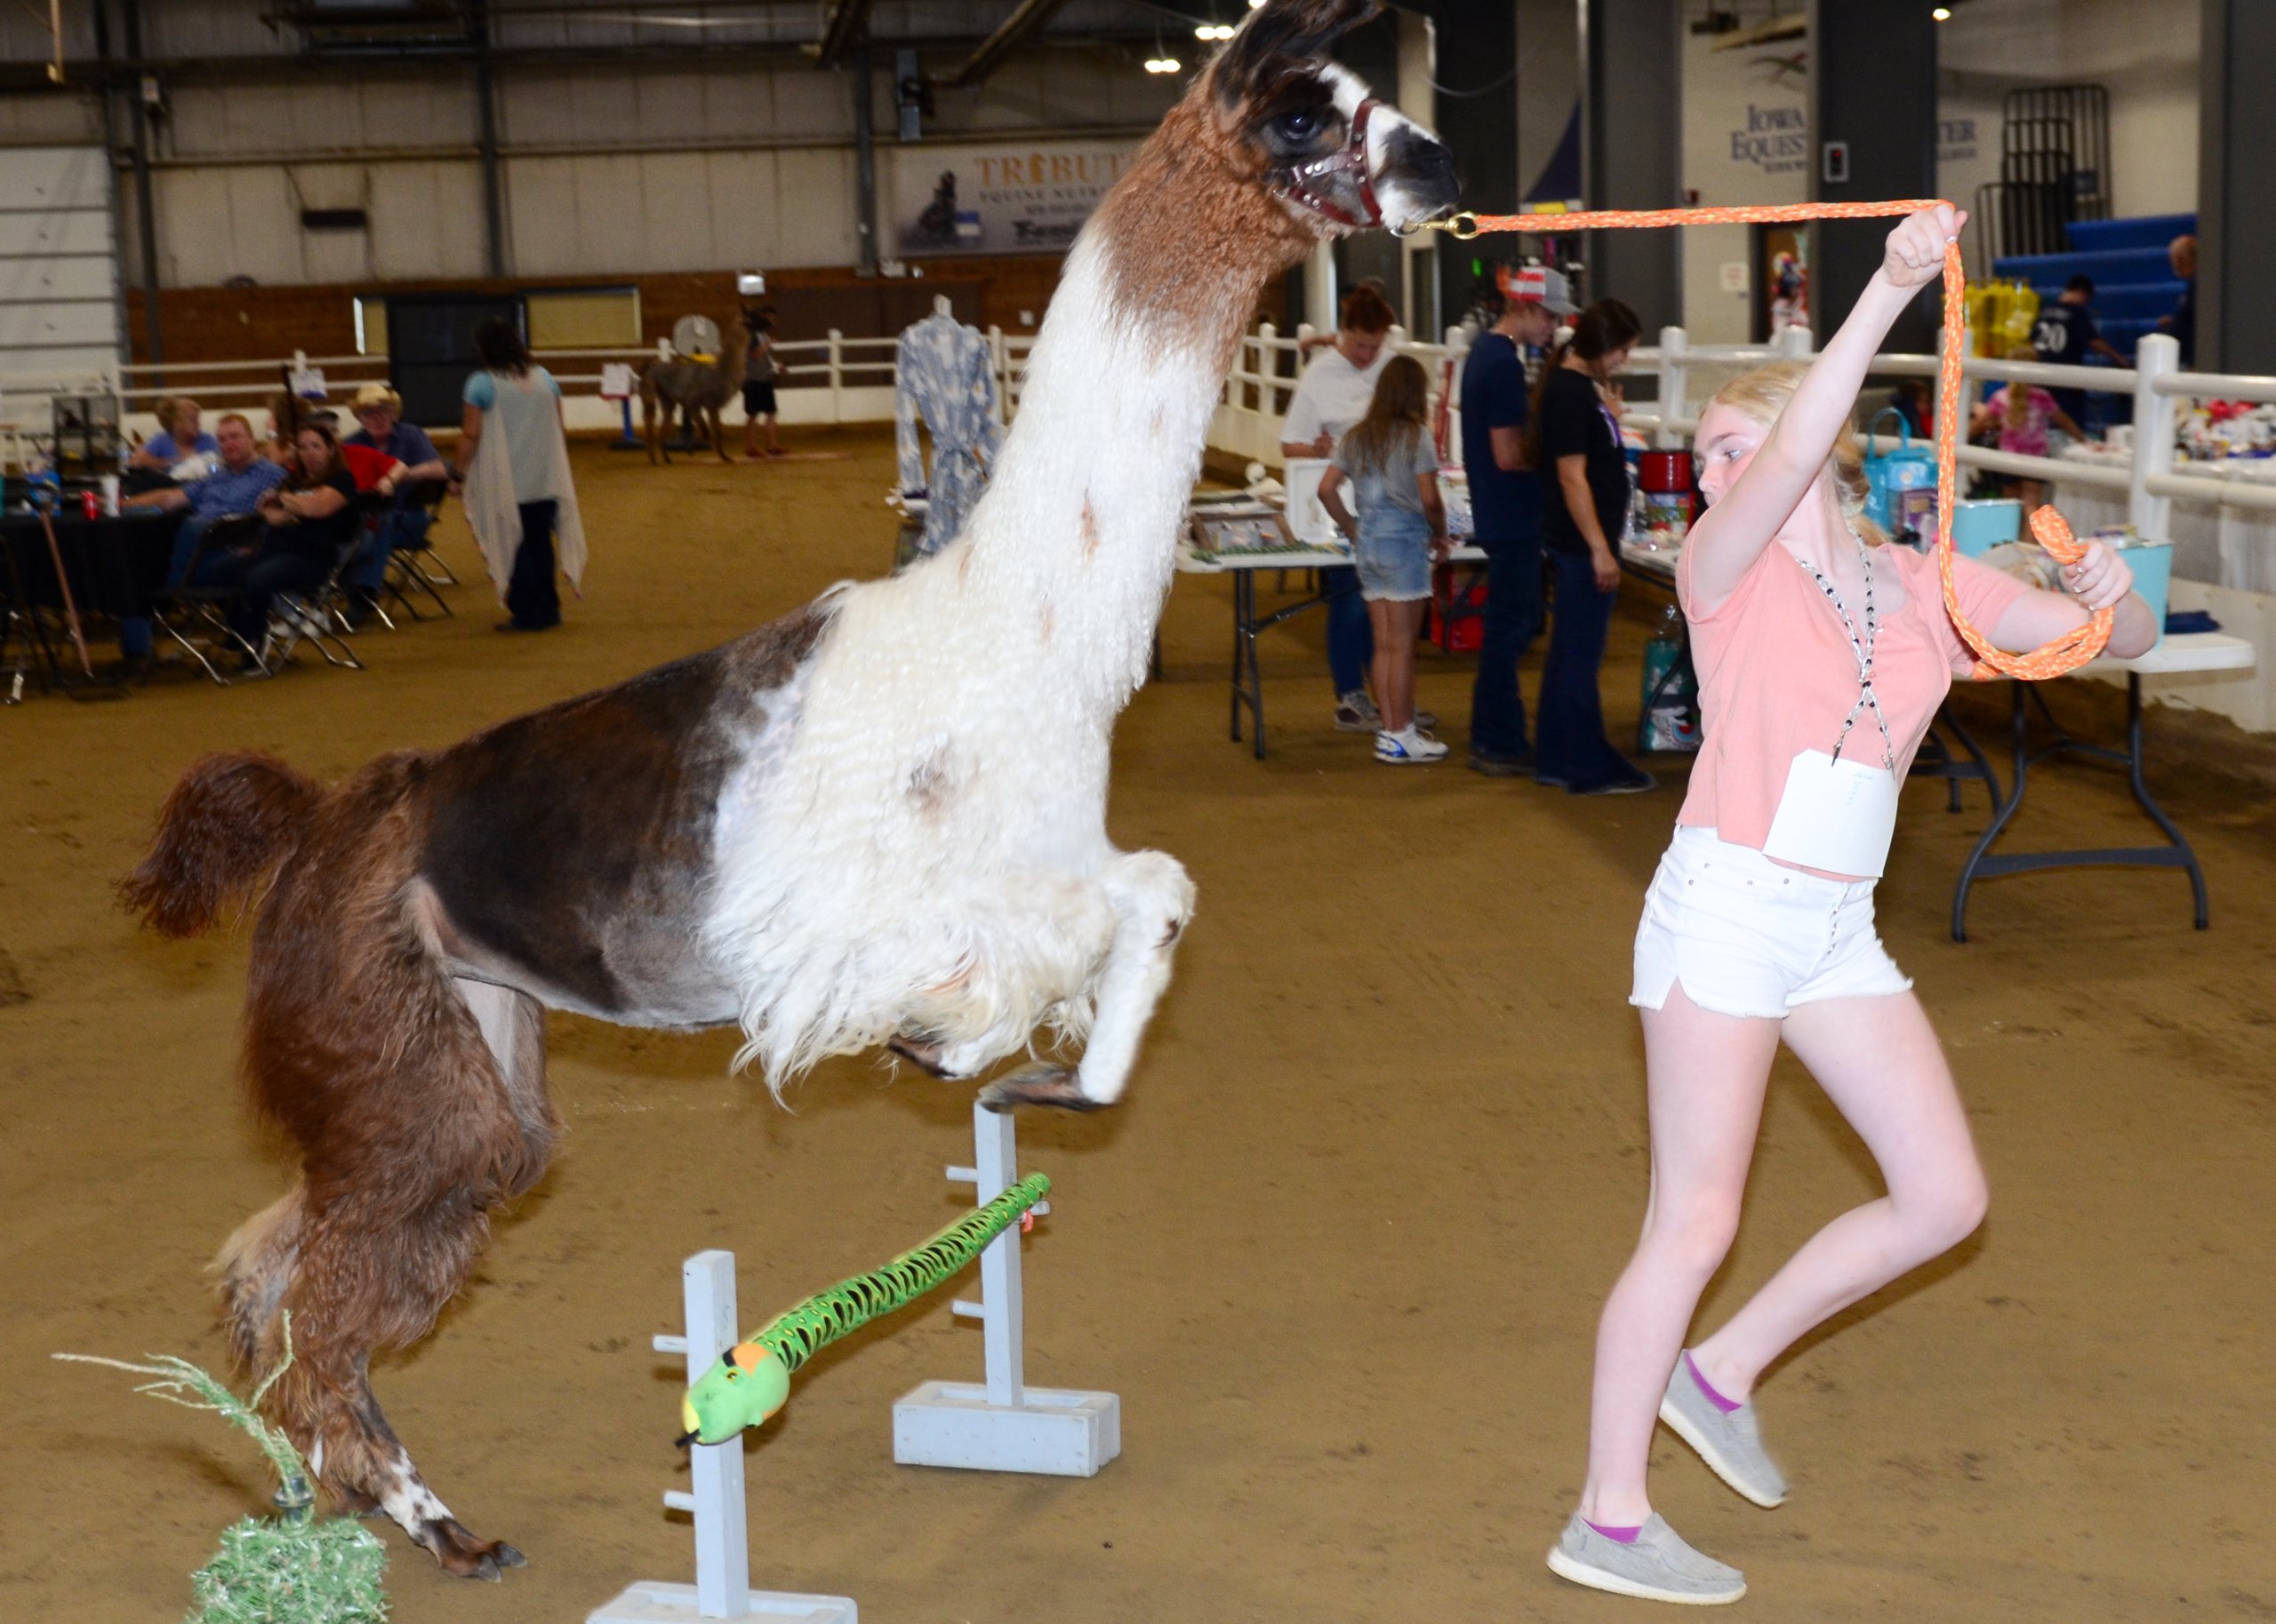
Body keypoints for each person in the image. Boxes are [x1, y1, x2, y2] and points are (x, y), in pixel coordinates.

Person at [1547, 204, 2159, 1605]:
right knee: (1692, 1219)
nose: (1707, 466)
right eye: (1698, 453)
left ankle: (1722, 1370)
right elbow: (1784, 457)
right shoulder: (1720, 571)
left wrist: (2107, 588)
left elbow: (2106, 647)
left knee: (1945, 1194)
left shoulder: (1917, 584)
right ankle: (1609, 1511)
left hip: (1833, 929)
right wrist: (1885, 288)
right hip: (1725, 913)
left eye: (1728, 441)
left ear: (1809, 449)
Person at [1530, 297, 1653, 796]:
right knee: (1580, 655)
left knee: (1568, 654)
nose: (1625, 360)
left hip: (1580, 542)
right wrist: (1600, 548)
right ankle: (1584, 763)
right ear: (1603, 346)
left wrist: (1611, 416)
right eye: (1623, 350)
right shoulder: (1570, 393)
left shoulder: (1578, 391)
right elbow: (1572, 476)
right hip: (1583, 545)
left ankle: (1559, 757)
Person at [1280, 284, 1404, 734]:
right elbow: (1289, 446)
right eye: (1359, 345)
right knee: (1351, 601)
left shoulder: (1393, 369)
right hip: (1340, 508)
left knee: (1390, 603)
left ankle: (1392, 700)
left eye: (1376, 346)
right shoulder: (1319, 375)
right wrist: (1315, 447)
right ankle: (1351, 696)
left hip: (1389, 503)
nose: (1368, 355)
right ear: (1343, 333)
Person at [1317, 356, 1451, 764]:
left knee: (1383, 645)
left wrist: (1352, 528)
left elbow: (1326, 489)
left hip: (1369, 544)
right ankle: (1402, 732)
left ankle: (1391, 733)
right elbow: (1429, 498)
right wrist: (1441, 533)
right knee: (1403, 647)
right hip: (1405, 544)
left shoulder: (1357, 437)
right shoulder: (1417, 436)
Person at [1462, 273, 1569, 775]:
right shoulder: (1503, 364)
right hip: (1512, 513)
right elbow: (1509, 454)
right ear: (1525, 308)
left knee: (1511, 624)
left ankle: (1495, 734)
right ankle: (1496, 738)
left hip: (1499, 510)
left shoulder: (1487, 354)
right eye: (1550, 314)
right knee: (1511, 627)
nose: (1556, 324)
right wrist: (1558, 457)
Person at [116, 412, 288, 659]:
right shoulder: (215, 477)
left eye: (235, 437)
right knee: (137, 562)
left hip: (237, 551)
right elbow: (169, 497)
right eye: (222, 439)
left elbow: (280, 518)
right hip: (201, 554)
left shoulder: (274, 476)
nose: (228, 444)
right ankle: (137, 651)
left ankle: (174, 586)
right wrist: (121, 503)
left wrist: (258, 543)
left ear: (252, 439)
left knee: (189, 532)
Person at [453, 316, 586, 633]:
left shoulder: (481, 383)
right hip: (544, 478)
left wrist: (459, 474)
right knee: (540, 543)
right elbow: (558, 428)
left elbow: (471, 434)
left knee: (517, 546)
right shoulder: (545, 378)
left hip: (507, 482)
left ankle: (528, 613)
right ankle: (548, 609)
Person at [222, 422, 360, 670]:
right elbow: (273, 516)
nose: (308, 453)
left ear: (330, 449)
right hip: (274, 551)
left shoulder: (342, 479)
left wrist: (285, 499)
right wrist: (286, 504)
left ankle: (257, 639)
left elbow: (318, 508)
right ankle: (247, 635)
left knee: (257, 579)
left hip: (313, 559)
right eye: (303, 447)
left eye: (316, 446)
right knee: (221, 572)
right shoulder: (293, 480)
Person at [343, 384, 450, 617]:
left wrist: (399, 475)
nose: (377, 417)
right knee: (362, 526)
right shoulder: (350, 444)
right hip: (364, 522)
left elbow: (441, 469)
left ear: (394, 412)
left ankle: (365, 594)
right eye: (368, 412)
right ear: (360, 417)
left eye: (383, 410)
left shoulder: (411, 435)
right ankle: (345, 588)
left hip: (410, 519)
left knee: (383, 521)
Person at [1969, 350, 2086, 520]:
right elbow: (2064, 421)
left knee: (2011, 507)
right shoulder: (2043, 397)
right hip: (2036, 458)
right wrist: (2083, 440)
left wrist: (1957, 439)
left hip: (2008, 459)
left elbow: (1977, 426)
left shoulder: (2000, 397)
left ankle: (2011, 542)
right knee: (2032, 505)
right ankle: (2029, 545)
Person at [2031, 275, 2128, 427]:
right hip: (2066, 376)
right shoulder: (2076, 313)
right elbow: (2093, 341)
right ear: (2083, 293)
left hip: (2042, 373)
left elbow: (2032, 342)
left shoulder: (2044, 312)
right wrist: (2117, 357)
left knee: (2044, 417)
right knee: (2070, 419)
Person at [131, 397, 218, 474]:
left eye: (198, 419)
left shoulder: (207, 439)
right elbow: (135, 462)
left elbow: (223, 462)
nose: (198, 423)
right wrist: (174, 462)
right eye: (192, 419)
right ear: (176, 423)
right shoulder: (162, 440)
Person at [741, 305, 782, 459]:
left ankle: (772, 446)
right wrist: (767, 344)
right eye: (771, 319)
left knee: (771, 412)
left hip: (765, 377)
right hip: (753, 379)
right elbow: (756, 354)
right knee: (753, 414)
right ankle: (751, 447)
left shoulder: (762, 334)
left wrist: (776, 365)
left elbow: (764, 357)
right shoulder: (752, 335)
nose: (774, 322)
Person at [2159, 234, 2197, 366]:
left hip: (2190, 358)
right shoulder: (2193, 284)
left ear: (2179, 259)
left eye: (2172, 259)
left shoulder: (2199, 285)